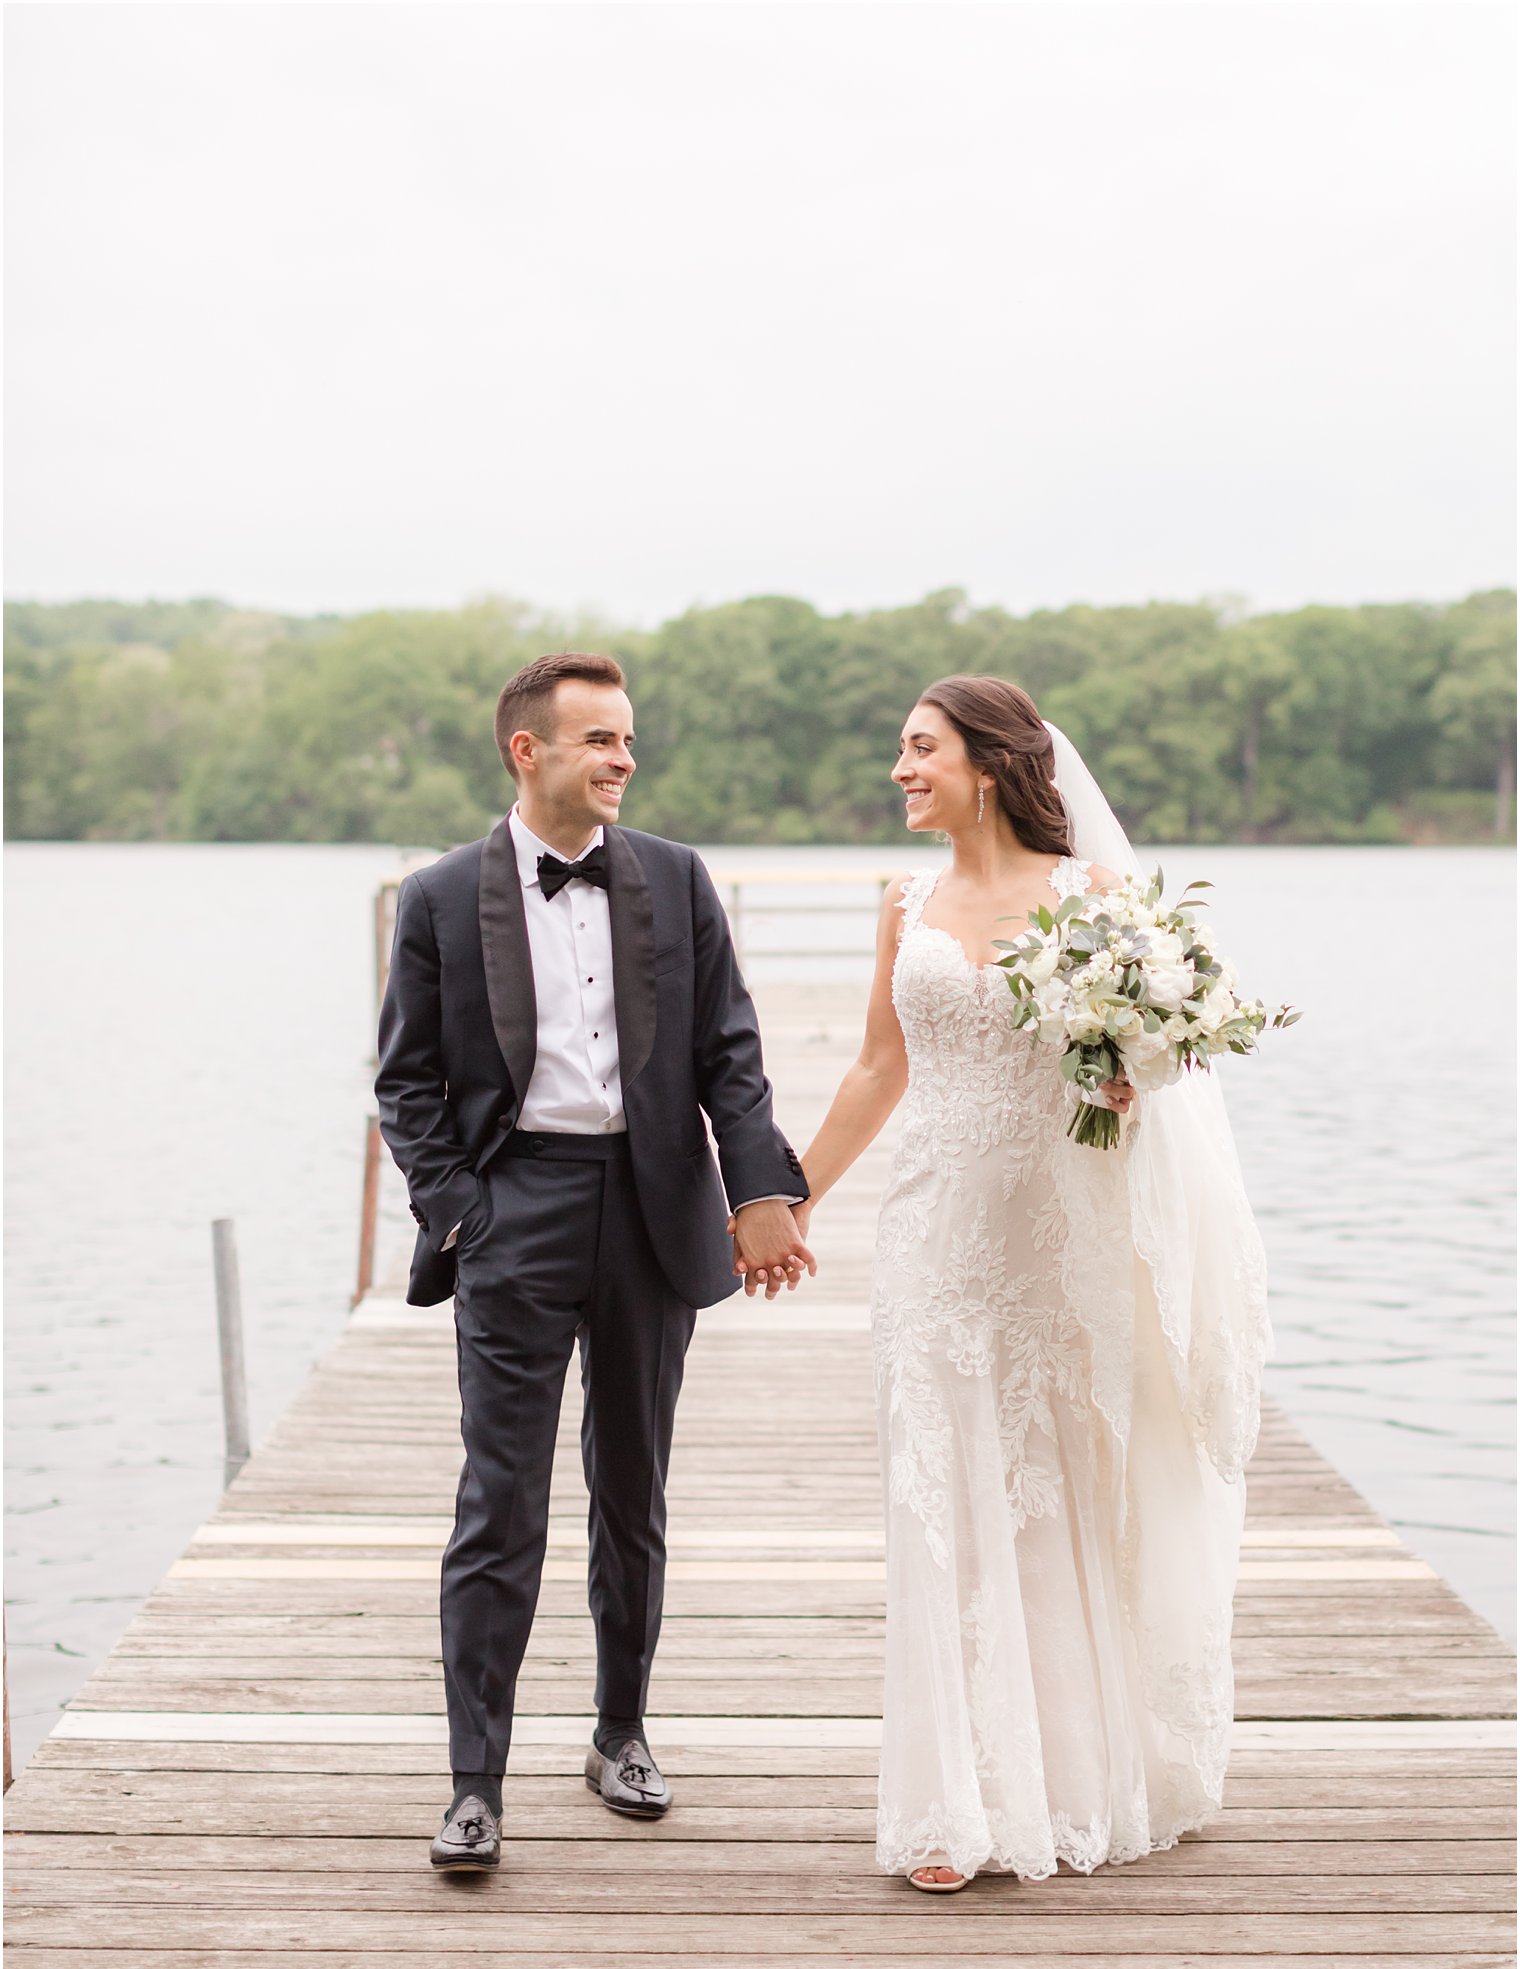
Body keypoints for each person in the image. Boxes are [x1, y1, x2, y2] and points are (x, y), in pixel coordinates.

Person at [769, 676, 1269, 1892]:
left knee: (1060, 1496)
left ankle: (1076, 1780)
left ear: (987, 764)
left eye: (918, 749)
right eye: (900, 749)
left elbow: (1163, 1061)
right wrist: (783, 1200)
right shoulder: (905, 903)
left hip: (1061, 1236)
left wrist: (1128, 1076)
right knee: (938, 1498)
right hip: (937, 1238)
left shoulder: (1093, 899)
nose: (898, 769)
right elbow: (878, 1073)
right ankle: (949, 1803)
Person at [376, 652, 812, 1871]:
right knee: (497, 1501)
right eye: (600, 741)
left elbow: (731, 1053)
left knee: (633, 1489)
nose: (624, 760)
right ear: (529, 751)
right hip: (515, 1208)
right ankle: (475, 1784)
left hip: (649, 1205)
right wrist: (462, 1212)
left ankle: (620, 1732)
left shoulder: (674, 880)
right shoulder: (438, 898)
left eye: (627, 741)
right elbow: (406, 1087)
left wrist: (763, 1188)